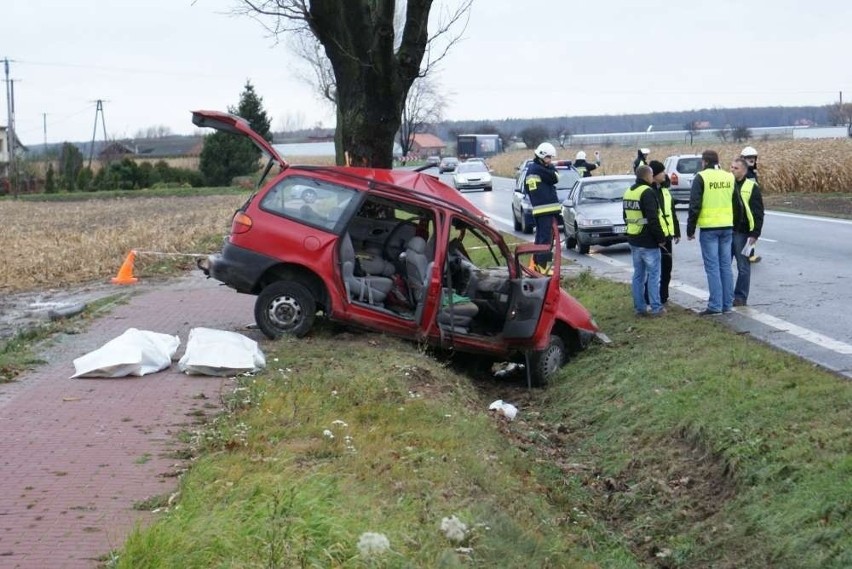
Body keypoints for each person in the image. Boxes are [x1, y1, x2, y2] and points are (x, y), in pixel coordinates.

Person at [686, 150, 735, 315]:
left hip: (709, 228)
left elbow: (694, 205)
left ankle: (715, 306)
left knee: (713, 267)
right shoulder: (729, 176)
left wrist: (690, 229)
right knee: (726, 266)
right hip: (727, 226)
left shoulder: (701, 177)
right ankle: (727, 304)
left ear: (704, 162)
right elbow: (737, 202)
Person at [623, 164, 667, 317]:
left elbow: (625, 216)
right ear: (647, 176)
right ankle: (656, 307)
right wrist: (661, 239)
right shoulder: (647, 192)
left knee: (638, 275)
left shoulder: (629, 191)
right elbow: (653, 218)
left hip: (634, 238)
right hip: (648, 240)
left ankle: (639, 308)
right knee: (654, 275)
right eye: (651, 174)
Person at [644, 160, 680, 304]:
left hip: (668, 236)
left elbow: (671, 212)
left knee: (667, 268)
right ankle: (650, 298)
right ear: (654, 175)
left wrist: (676, 231)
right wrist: (658, 236)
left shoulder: (665, 190)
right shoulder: (649, 192)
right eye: (661, 172)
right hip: (656, 236)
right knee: (653, 270)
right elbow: (652, 217)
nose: (665, 174)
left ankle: (664, 296)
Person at [730, 157, 764, 306]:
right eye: (731, 167)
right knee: (724, 265)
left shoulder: (751, 186)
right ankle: (726, 295)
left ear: (743, 170)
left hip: (743, 232)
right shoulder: (727, 184)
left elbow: (758, 212)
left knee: (743, 267)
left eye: (735, 168)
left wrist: (755, 233)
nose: (732, 170)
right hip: (726, 230)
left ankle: (740, 297)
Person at [525, 142, 560, 274]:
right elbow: (556, 177)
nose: (550, 161)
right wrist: (551, 167)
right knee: (546, 239)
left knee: (540, 239)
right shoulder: (539, 169)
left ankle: (535, 265)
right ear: (541, 156)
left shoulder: (532, 169)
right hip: (546, 210)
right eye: (548, 158)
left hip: (540, 210)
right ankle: (544, 267)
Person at [740, 146, 762, 262]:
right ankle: (749, 255)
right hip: (747, 206)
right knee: (750, 231)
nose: (751, 160)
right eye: (748, 158)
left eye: (753, 157)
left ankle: (750, 253)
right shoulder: (745, 173)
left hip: (754, 205)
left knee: (753, 230)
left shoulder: (752, 172)